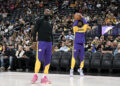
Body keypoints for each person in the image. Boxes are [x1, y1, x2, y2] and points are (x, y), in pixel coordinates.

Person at [31, 9, 53, 84]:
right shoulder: (39, 20)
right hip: (41, 42)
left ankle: (44, 77)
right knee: (39, 59)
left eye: (48, 11)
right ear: (44, 12)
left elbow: (51, 34)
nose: (47, 12)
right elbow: (34, 30)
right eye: (46, 11)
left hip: (49, 43)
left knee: (48, 60)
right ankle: (35, 76)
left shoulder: (50, 22)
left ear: (50, 13)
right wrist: (34, 40)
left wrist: (52, 44)